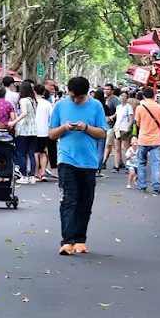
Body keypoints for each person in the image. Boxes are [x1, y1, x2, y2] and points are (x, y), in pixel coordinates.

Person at [49, 76, 108, 256]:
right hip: (66, 160)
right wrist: (64, 128)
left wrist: (85, 128)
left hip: (89, 162)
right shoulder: (60, 105)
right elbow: (51, 134)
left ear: (85, 94)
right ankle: (67, 241)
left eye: (78, 98)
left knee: (85, 202)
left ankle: (80, 239)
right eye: (72, 96)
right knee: (68, 200)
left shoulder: (96, 106)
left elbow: (102, 133)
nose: (75, 100)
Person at [134, 89, 160, 194]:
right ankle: (156, 187)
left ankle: (142, 186)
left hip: (143, 139)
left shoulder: (139, 108)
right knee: (155, 164)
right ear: (154, 96)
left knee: (141, 163)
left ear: (143, 96)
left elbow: (137, 123)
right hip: (156, 140)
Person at [13, 82, 39, 184]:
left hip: (24, 129)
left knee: (21, 153)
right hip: (33, 128)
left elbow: (24, 113)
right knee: (31, 153)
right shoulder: (33, 100)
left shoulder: (23, 100)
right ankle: (32, 175)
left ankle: (24, 175)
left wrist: (15, 121)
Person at [108, 90, 135, 172]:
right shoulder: (118, 107)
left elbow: (131, 119)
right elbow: (116, 115)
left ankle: (128, 165)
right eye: (122, 96)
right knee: (117, 148)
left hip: (124, 129)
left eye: (125, 96)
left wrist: (128, 128)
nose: (123, 97)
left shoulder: (129, 107)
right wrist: (110, 117)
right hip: (117, 129)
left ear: (127, 98)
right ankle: (116, 166)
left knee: (126, 148)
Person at [33, 83, 54, 181]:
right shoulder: (47, 103)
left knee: (35, 152)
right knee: (43, 152)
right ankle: (43, 172)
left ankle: (36, 172)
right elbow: (52, 117)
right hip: (45, 131)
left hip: (33, 131)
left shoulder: (32, 102)